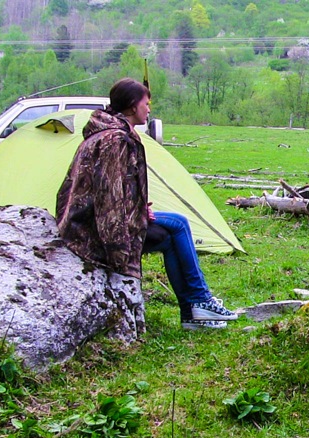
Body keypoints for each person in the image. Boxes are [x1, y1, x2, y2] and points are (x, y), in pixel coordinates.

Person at [56, 77, 236, 330]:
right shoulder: (115, 141)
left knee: (172, 232)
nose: (149, 109)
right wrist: (119, 253)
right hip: (92, 232)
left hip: (89, 222)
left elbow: (112, 191)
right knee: (178, 226)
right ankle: (199, 301)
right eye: (146, 103)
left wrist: (139, 207)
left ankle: (192, 313)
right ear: (132, 106)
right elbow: (109, 199)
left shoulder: (107, 133)